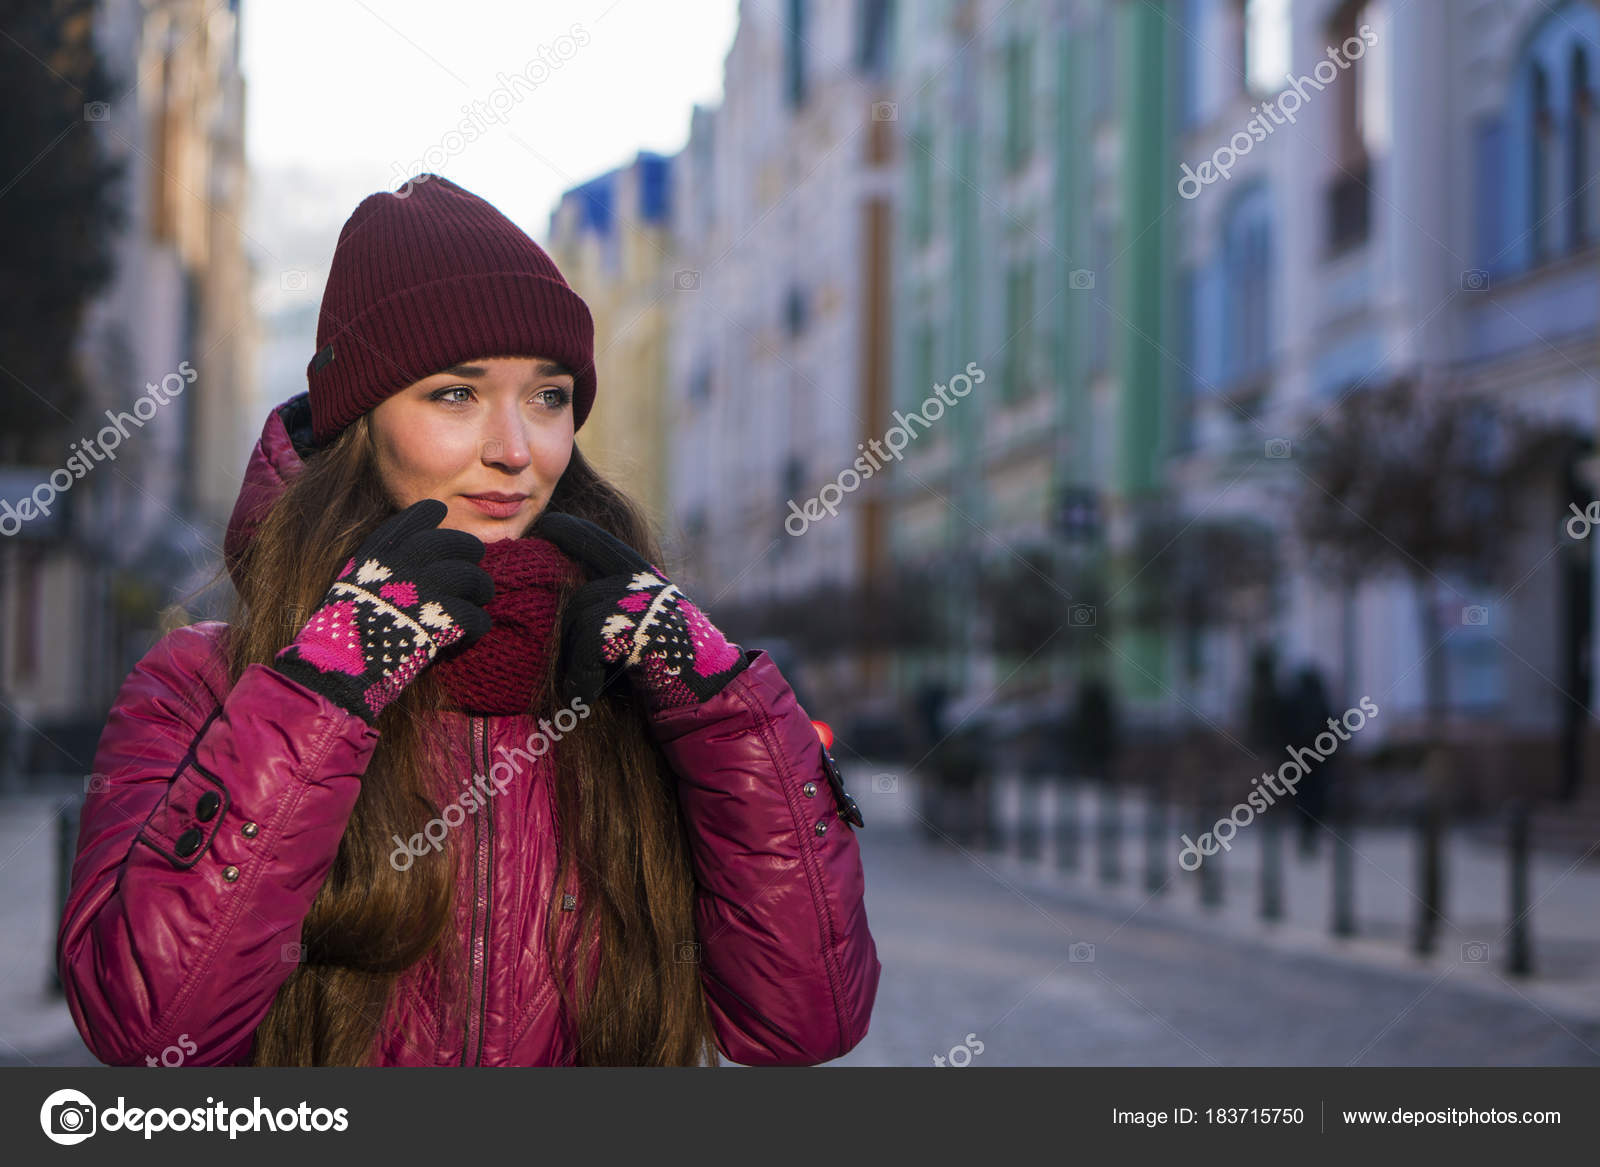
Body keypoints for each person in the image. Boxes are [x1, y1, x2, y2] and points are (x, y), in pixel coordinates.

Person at [56, 174, 879, 1067]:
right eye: (456, 394)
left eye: (549, 396)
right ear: (361, 424)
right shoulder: (204, 687)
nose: (515, 448)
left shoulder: (639, 681)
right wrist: (331, 682)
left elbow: (808, 1020)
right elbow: (147, 1028)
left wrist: (719, 706)